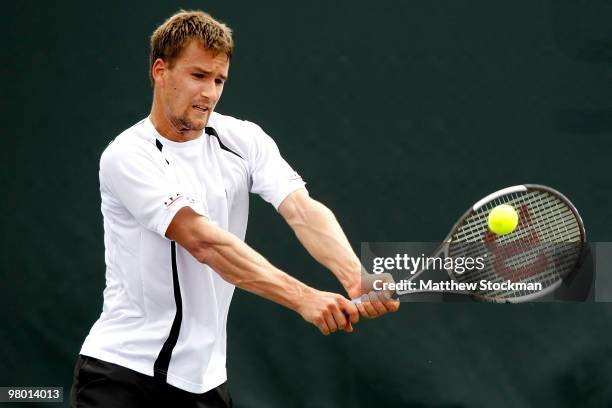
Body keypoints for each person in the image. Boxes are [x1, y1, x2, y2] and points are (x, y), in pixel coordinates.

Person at [70, 9, 399, 408]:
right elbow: (205, 243)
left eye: (219, 79)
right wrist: (304, 298)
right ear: (160, 70)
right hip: (122, 377)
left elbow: (302, 210)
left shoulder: (243, 139)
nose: (209, 92)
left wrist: (354, 275)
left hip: (205, 382)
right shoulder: (128, 156)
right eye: (197, 76)